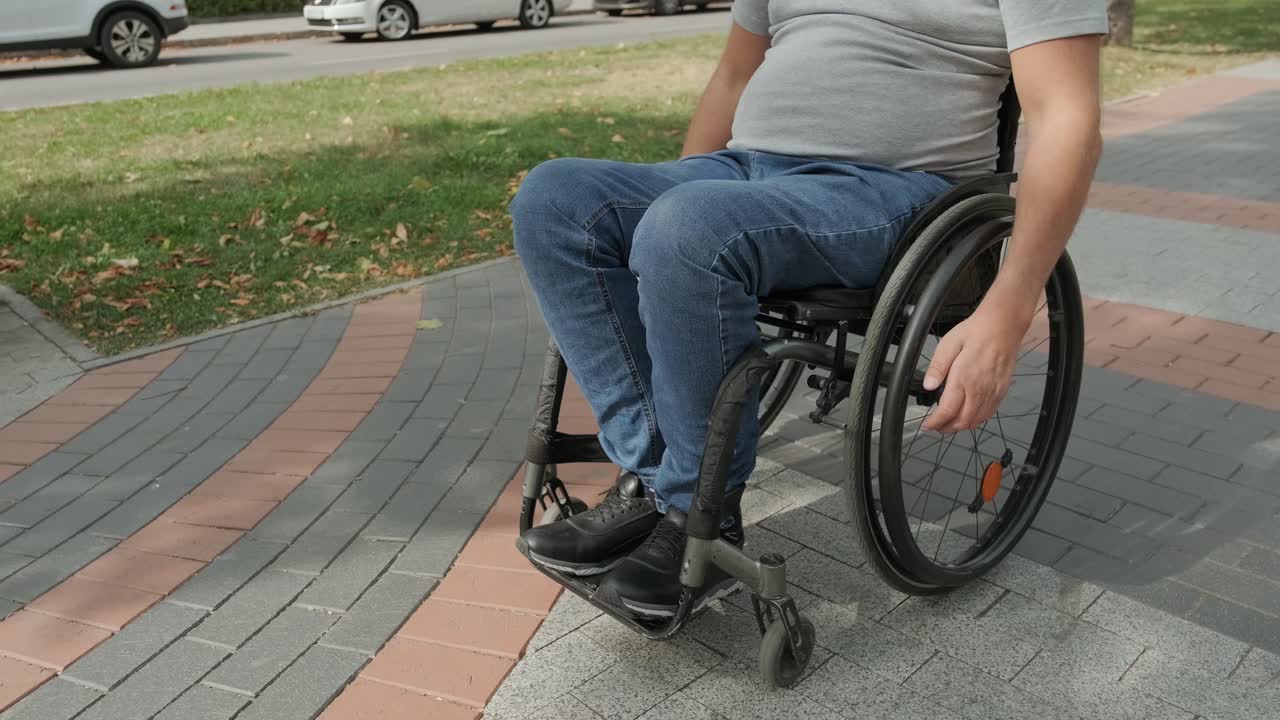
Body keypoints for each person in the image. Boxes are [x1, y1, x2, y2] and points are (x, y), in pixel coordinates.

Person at [510, 0, 1107, 618]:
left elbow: (1067, 116)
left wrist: (1009, 311)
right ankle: (655, 480)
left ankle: (698, 518)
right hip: (746, 168)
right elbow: (735, 75)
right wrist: (682, 195)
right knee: (555, 201)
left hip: (893, 189)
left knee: (688, 229)